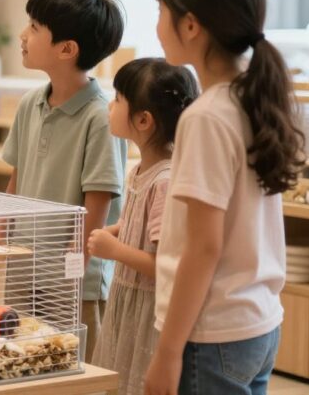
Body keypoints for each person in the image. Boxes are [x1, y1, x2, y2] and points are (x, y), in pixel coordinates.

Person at [145, 0, 306, 395]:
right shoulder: (252, 98)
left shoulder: (206, 116)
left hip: (211, 332)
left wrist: (168, 351)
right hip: (258, 321)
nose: (158, 25)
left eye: (161, 11)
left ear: (191, 25)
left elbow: (203, 247)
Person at [2, 0, 126, 356]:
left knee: (74, 361)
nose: (23, 35)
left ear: (67, 49)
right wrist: (1, 239)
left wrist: (77, 266)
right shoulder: (29, 103)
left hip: (71, 277)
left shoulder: (99, 116)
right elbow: (16, 178)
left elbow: (99, 198)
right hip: (23, 264)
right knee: (22, 356)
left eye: (35, 28)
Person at [88, 58, 199, 394]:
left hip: (148, 307)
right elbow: (135, 224)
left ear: (143, 120)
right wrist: (113, 231)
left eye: (118, 99)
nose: (110, 105)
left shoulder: (164, 180)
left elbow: (163, 264)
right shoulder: (139, 171)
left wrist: (114, 251)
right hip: (127, 299)